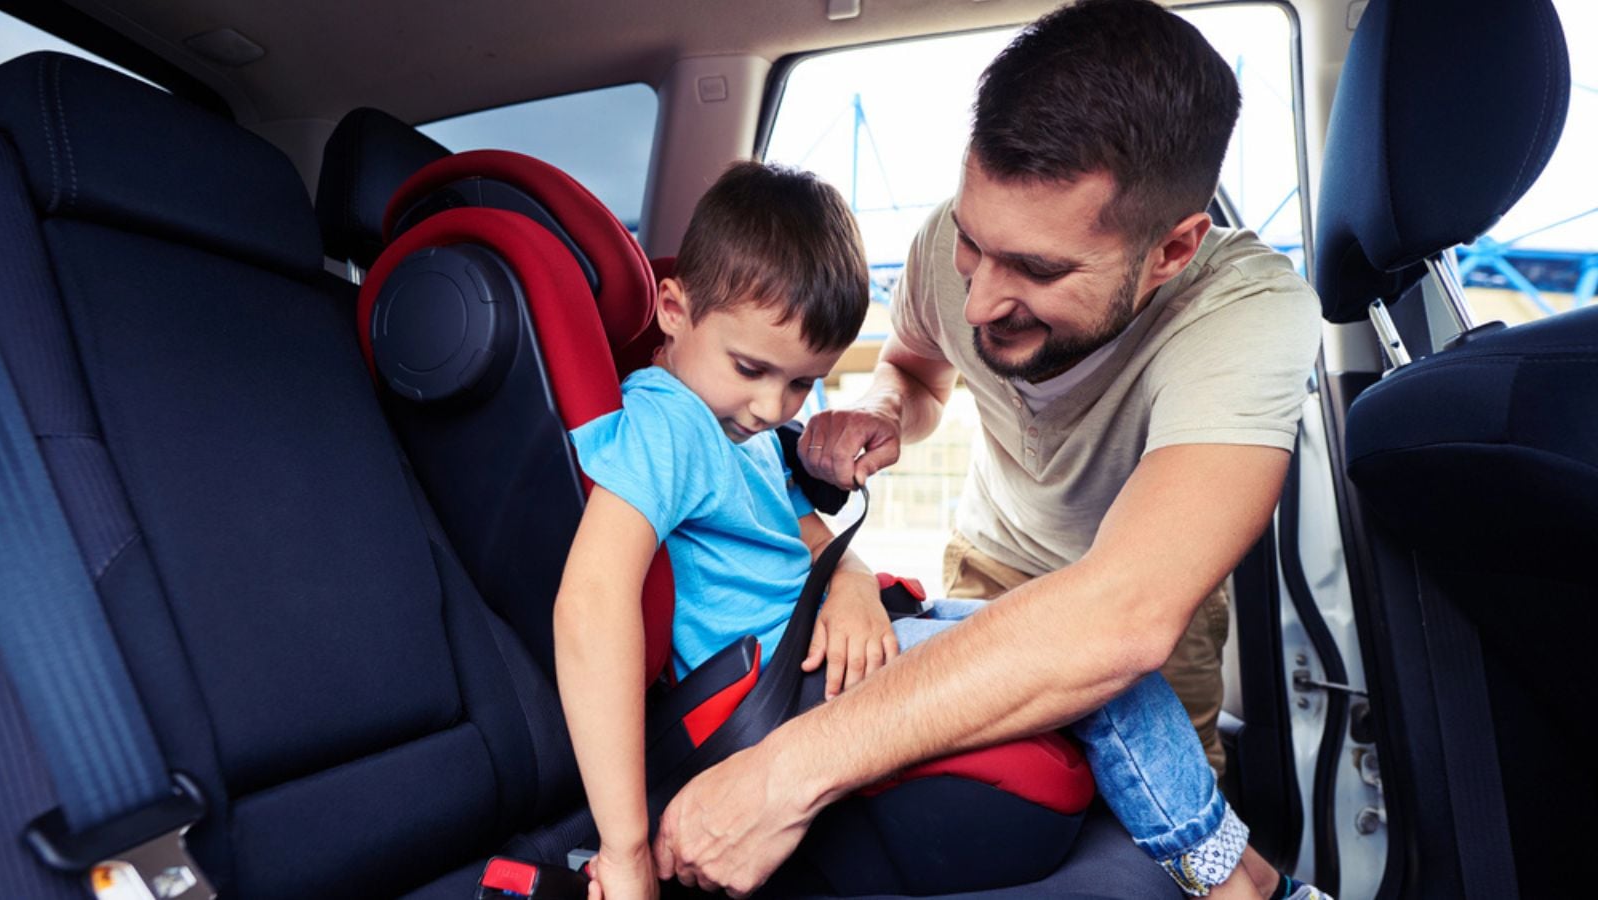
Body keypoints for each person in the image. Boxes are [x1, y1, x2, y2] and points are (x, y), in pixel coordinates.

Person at [650, 1, 1326, 899]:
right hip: (989, 568)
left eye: (1038, 272)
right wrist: (886, 411)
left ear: (1170, 250)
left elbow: (1120, 617)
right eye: (974, 244)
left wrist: (779, 777)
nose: (976, 302)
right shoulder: (946, 250)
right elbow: (919, 370)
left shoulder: (1246, 314)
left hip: (1136, 621)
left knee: (1171, 856)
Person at [555, 161, 1276, 900]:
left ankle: (1245, 873)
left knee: (1078, 636)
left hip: (820, 644)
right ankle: (1232, 883)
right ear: (672, 309)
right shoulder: (667, 420)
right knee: (1110, 680)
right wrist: (625, 848)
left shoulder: (734, 429)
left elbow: (809, 540)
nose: (774, 406)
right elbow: (593, 602)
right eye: (751, 368)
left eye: (803, 383)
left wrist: (854, 585)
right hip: (780, 683)